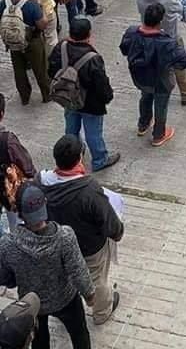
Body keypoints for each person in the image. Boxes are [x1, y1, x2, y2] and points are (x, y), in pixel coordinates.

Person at [38, 135, 122, 326]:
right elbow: (109, 221)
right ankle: (101, 312)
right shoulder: (89, 190)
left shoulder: (42, 182)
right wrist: (117, 232)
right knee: (97, 279)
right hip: (89, 246)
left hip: (56, 242)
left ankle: (67, 304)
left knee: (65, 273)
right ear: (80, 159)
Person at [0, 181, 95, 349]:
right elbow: (78, 270)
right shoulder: (65, 236)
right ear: (45, 204)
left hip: (32, 305)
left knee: (39, 340)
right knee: (79, 333)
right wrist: (89, 294)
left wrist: (16, 279)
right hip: (65, 298)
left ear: (20, 213)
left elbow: (5, 277)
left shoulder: (8, 244)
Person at [48, 15, 119, 172]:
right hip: (91, 104)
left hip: (68, 97)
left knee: (71, 128)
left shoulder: (61, 48)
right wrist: (107, 97)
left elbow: (51, 70)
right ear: (89, 35)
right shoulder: (93, 58)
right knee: (93, 133)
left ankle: (74, 152)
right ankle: (99, 160)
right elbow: (101, 85)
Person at [120, 1, 186, 146]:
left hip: (140, 78)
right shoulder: (167, 42)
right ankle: (158, 134)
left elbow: (124, 49)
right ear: (160, 22)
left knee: (145, 96)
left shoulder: (132, 33)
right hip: (161, 81)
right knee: (161, 105)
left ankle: (143, 123)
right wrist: (171, 65)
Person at [136, 0, 186, 105]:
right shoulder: (168, 0)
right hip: (170, 37)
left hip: (150, 38)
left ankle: (154, 89)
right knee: (179, 66)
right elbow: (181, 9)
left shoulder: (140, 0)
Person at [0, 0, 50, 106]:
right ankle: (46, 94)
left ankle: (24, 97)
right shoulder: (32, 4)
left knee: (19, 70)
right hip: (32, 41)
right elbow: (42, 25)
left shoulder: (4, 2)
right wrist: (43, 9)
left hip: (13, 42)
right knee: (40, 69)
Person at [0, 92, 36, 232]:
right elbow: (26, 165)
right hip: (7, 188)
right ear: (2, 114)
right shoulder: (7, 140)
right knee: (14, 221)